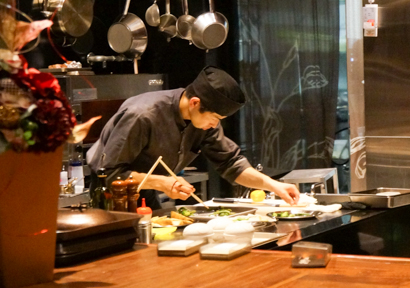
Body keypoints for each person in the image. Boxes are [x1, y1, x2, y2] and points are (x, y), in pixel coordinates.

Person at [87, 66, 300, 208]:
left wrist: (273, 185)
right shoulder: (142, 115)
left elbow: (231, 163)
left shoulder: (202, 122)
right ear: (195, 103)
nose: (215, 125)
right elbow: (111, 174)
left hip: (146, 192)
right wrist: (162, 182)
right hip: (110, 196)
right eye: (215, 118)